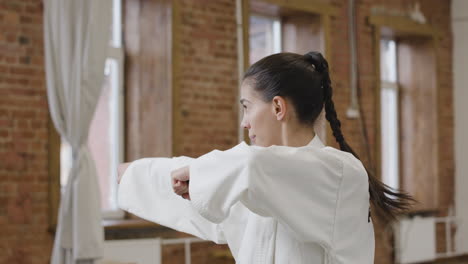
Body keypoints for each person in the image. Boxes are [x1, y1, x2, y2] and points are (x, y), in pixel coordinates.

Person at [117, 51, 414, 263]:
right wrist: (135, 176)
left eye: (247, 107)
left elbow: (248, 167)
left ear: (277, 108)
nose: (244, 123)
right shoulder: (258, 187)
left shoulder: (339, 173)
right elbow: (205, 206)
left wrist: (195, 174)